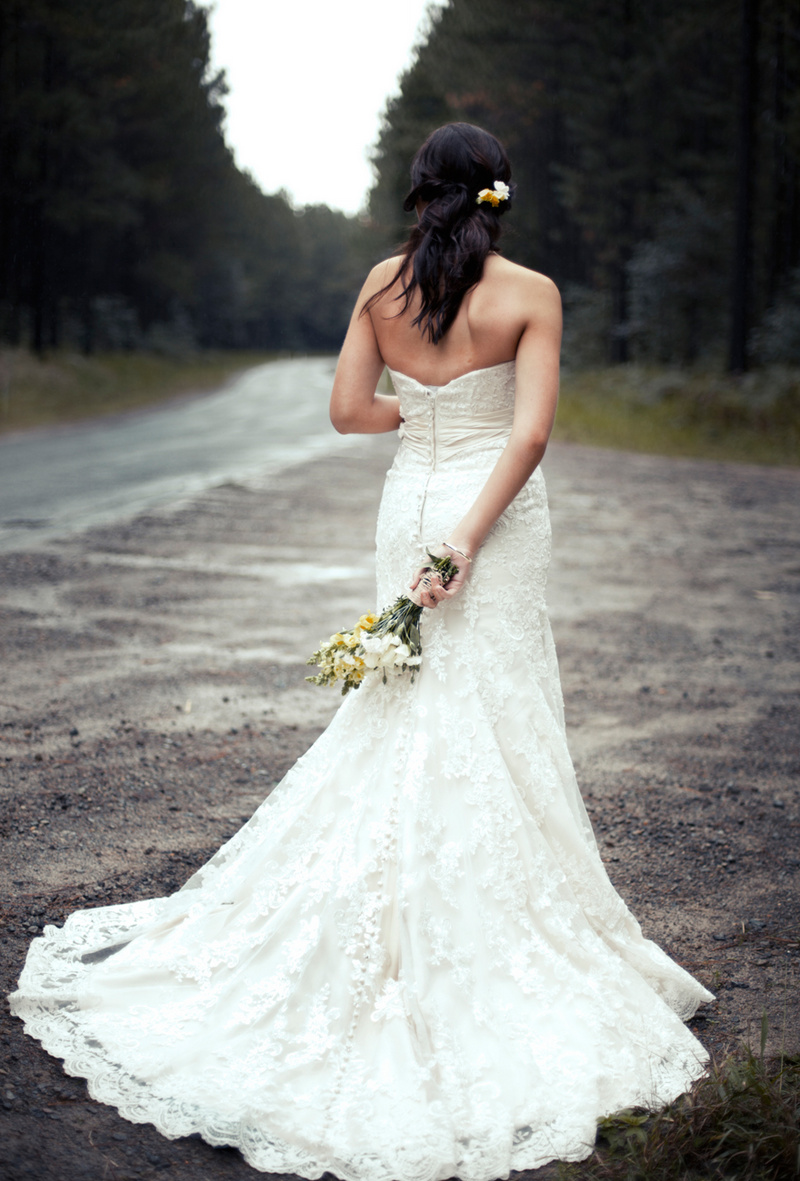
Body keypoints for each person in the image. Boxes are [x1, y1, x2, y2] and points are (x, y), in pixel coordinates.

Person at [10, 123, 712, 1180]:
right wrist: (468, 529)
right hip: (492, 516)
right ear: (496, 196)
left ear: (419, 192)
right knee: (495, 698)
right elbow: (526, 435)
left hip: (409, 501)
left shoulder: (381, 285)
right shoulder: (531, 291)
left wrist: (422, 422)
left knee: (403, 700)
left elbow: (344, 411)